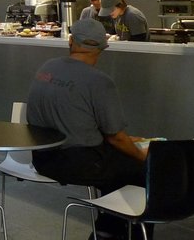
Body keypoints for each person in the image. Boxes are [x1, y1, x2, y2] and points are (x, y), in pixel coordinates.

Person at [28, 19, 150, 239]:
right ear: (103, 48)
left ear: (71, 41)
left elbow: (74, 122)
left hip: (42, 158)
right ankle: (120, 233)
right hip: (80, 162)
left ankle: (106, 230)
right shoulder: (99, 81)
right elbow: (116, 138)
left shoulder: (47, 68)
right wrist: (143, 156)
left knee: (119, 167)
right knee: (146, 172)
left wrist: (126, 140)